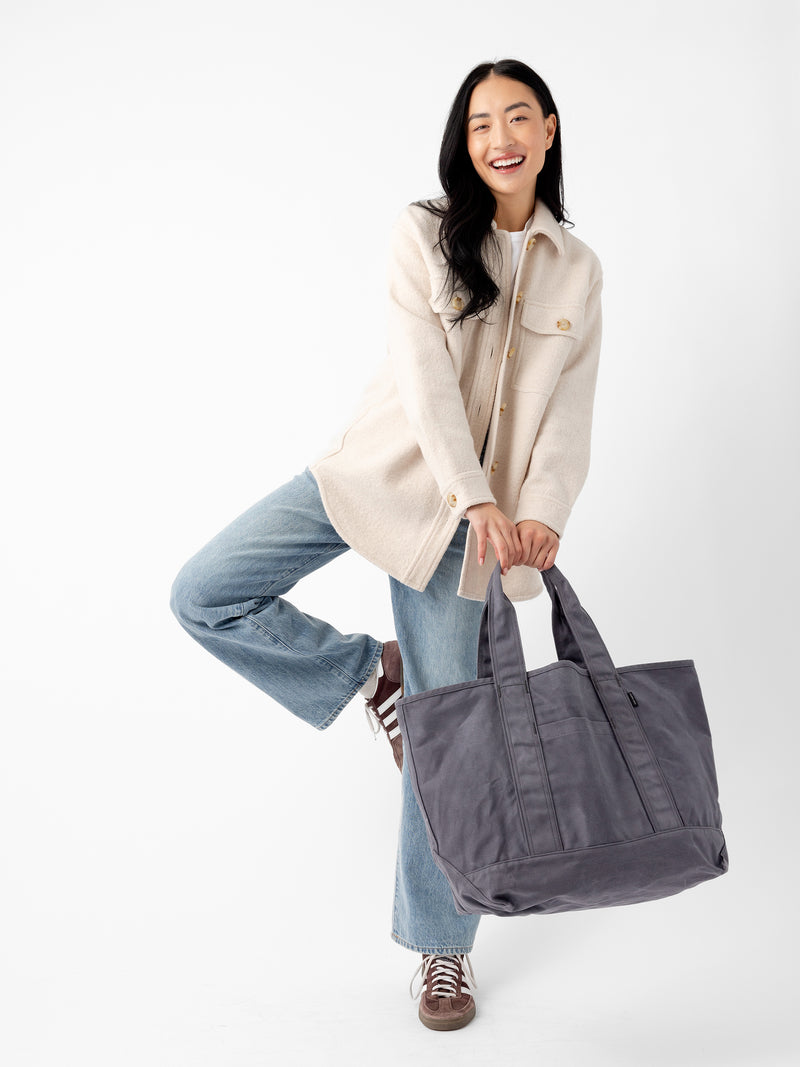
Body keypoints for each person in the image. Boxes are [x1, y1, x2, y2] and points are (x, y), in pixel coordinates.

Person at [170, 57, 602, 1032]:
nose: (499, 136)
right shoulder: (420, 231)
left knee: (447, 737)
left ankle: (441, 952)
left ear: (546, 129)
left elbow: (567, 414)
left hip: (476, 535)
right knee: (203, 590)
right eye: (481, 121)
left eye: (517, 117)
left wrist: (541, 508)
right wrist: (472, 494)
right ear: (464, 139)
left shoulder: (577, 270)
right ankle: (373, 676)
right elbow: (421, 380)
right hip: (376, 477)